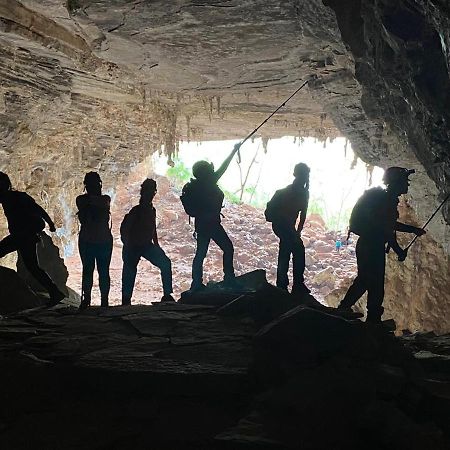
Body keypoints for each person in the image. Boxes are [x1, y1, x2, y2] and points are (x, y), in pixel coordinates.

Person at [338, 167, 426, 323]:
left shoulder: (384, 200)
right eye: (405, 181)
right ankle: (350, 311)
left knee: (371, 282)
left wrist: (412, 230)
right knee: (369, 281)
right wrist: (399, 250)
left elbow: (388, 225)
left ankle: (364, 314)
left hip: (370, 244)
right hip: (372, 246)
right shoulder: (386, 201)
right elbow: (386, 229)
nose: (407, 184)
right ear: (396, 182)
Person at [182, 144, 241, 292]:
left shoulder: (199, 185)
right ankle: (229, 278)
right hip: (212, 224)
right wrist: (233, 150)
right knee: (227, 248)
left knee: (201, 253)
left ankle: (196, 283)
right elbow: (224, 167)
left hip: (203, 224)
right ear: (205, 172)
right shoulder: (208, 182)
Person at [0, 171, 65, 305]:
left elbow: (38, 209)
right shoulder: (10, 198)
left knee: (32, 266)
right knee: (33, 267)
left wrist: (51, 223)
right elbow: (37, 209)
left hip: (23, 236)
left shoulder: (17, 197)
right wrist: (50, 223)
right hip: (23, 236)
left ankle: (55, 292)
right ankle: (55, 292)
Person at [120, 178, 174, 304]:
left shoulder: (151, 210)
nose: (151, 194)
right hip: (133, 246)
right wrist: (128, 245)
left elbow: (152, 228)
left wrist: (156, 245)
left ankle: (167, 295)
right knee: (129, 273)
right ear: (143, 192)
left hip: (145, 245)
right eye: (148, 191)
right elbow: (125, 229)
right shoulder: (136, 211)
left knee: (165, 263)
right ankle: (126, 300)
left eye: (152, 191)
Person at [265, 163, 310, 295]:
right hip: (282, 225)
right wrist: (296, 233)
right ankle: (291, 284)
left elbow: (303, 216)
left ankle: (285, 284)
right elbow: (302, 216)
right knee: (294, 249)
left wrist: (297, 233)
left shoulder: (300, 193)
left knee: (289, 249)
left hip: (286, 227)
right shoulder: (294, 193)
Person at [76, 172, 113, 309]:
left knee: (97, 271)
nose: (94, 186)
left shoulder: (101, 199)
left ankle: (98, 300)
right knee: (93, 271)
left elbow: (101, 202)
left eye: (95, 184)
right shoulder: (84, 199)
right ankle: (94, 300)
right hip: (98, 240)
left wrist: (90, 200)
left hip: (91, 240)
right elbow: (98, 203)